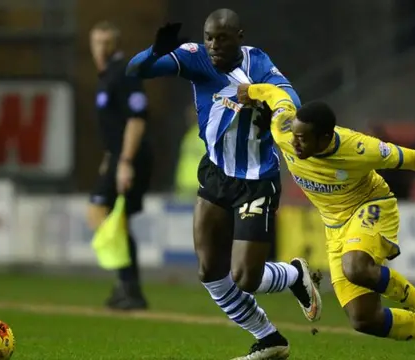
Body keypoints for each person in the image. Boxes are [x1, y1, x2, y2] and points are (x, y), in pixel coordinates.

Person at [238, 83, 415, 360]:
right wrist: (251, 89)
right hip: (335, 227)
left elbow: (413, 158)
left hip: (371, 205)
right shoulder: (284, 129)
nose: (294, 144)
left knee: (355, 267)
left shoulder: (359, 148)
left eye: (303, 138)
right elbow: (275, 94)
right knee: (365, 319)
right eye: (295, 135)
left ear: (326, 137)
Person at [127, 9, 321, 360]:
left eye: (222, 38)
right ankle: (269, 339)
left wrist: (273, 109)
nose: (214, 45)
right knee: (210, 272)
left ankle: (293, 274)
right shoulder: (194, 57)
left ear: (240, 37)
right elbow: (135, 70)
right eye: (209, 37)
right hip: (216, 172)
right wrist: (155, 51)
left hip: (256, 180)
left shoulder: (257, 65)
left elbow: (291, 101)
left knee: (246, 277)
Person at [86, 20, 153, 311]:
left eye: (106, 43)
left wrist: (125, 161)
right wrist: (110, 159)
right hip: (117, 156)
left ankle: (129, 287)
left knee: (100, 211)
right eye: (96, 42)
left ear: (116, 44)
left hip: (131, 156)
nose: (100, 48)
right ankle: (127, 287)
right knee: (110, 217)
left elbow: (136, 120)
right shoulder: (106, 76)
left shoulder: (123, 73)